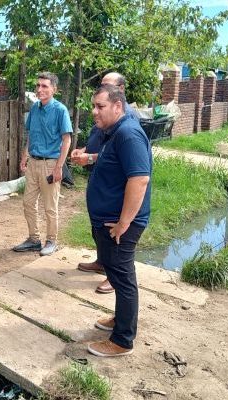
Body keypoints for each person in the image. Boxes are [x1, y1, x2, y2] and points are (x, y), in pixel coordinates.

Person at [85, 84, 152, 357]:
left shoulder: (128, 134)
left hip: (120, 224)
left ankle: (122, 340)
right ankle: (120, 320)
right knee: (114, 272)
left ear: (117, 106)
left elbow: (139, 179)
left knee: (123, 279)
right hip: (109, 221)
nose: (94, 112)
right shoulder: (113, 133)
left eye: (100, 106)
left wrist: (124, 223)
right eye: (94, 106)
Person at [70, 72, 137, 294]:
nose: (102, 91)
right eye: (101, 86)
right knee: (98, 229)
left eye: (108, 87)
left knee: (115, 239)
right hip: (99, 179)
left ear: (121, 93)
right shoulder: (104, 117)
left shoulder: (128, 123)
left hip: (114, 188)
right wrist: (85, 151)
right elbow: (99, 144)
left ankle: (113, 275)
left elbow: (120, 159)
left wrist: (89, 158)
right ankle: (102, 262)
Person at [13, 72, 72, 256]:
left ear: (54, 89)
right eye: (38, 85)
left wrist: (59, 167)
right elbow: (31, 135)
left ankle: (51, 241)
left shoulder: (60, 110)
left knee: (50, 207)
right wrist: (25, 156)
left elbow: (67, 140)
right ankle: (33, 239)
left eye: (44, 86)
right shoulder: (35, 109)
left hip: (50, 164)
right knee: (28, 203)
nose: (40, 89)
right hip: (33, 163)